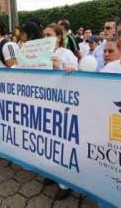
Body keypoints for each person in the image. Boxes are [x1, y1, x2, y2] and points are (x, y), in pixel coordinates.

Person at [42, 23, 78, 200]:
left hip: (61, 106)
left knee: (62, 143)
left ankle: (65, 183)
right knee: (47, 141)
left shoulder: (66, 53)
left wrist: (64, 68)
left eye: (49, 34)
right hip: (43, 102)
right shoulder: (40, 52)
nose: (45, 37)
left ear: (58, 37)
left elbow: (76, 74)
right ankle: (51, 173)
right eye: (44, 34)